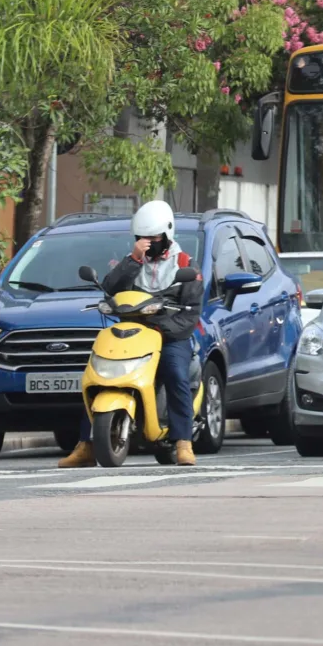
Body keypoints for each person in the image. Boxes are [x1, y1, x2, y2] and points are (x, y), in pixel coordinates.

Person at [58, 200, 205, 468]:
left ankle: (183, 441)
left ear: (168, 234)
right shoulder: (129, 260)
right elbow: (111, 288)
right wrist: (134, 259)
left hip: (170, 335)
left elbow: (190, 313)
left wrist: (162, 327)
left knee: (174, 373)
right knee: (99, 373)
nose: (148, 242)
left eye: (154, 237)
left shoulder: (186, 265)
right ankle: (87, 444)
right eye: (141, 238)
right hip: (132, 331)